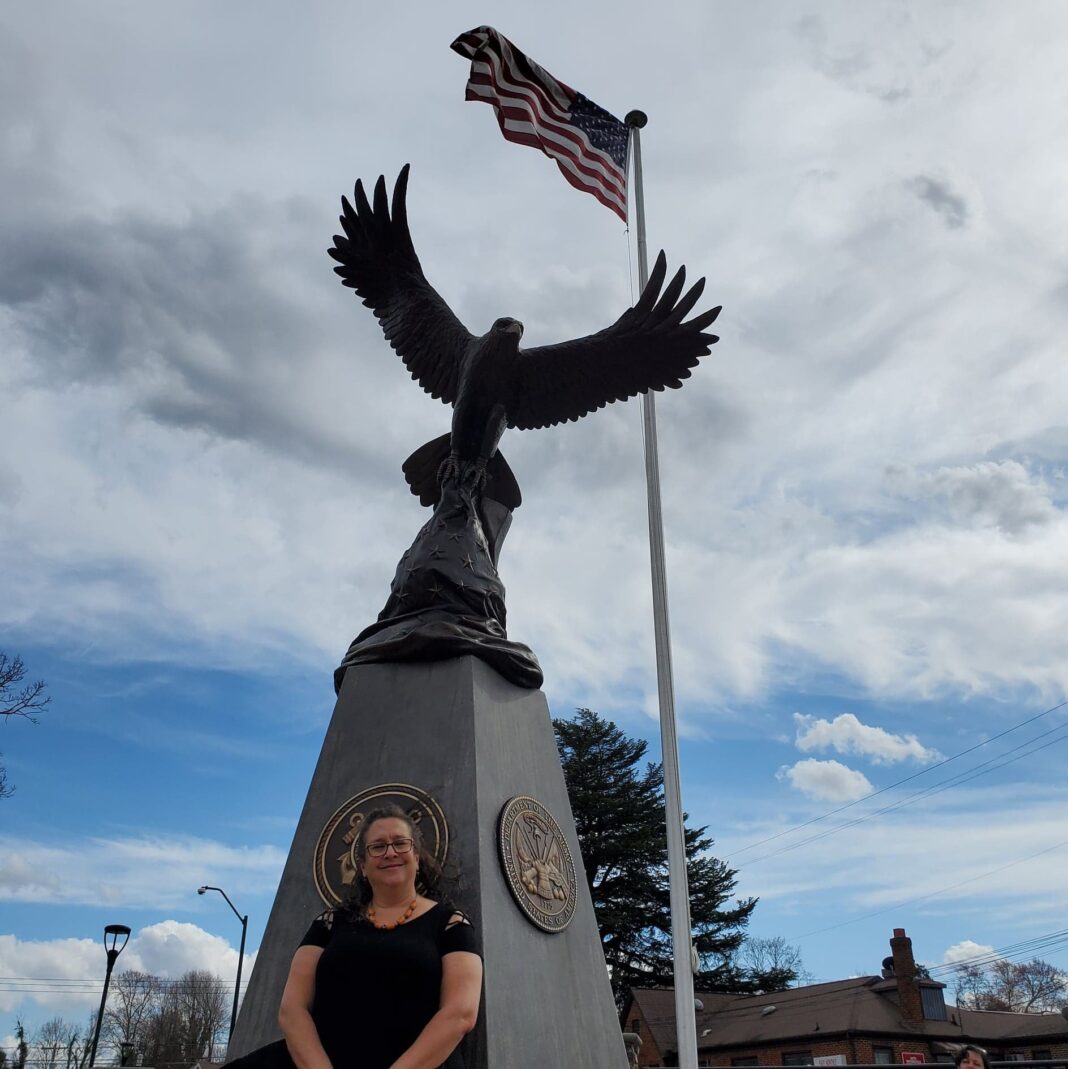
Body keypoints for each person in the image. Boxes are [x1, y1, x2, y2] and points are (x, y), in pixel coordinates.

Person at [274, 805, 482, 1069]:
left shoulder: (451, 924)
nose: (390, 852)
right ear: (362, 865)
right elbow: (292, 1010)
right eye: (378, 846)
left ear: (416, 857)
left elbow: (461, 1014)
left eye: (400, 843)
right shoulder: (329, 923)